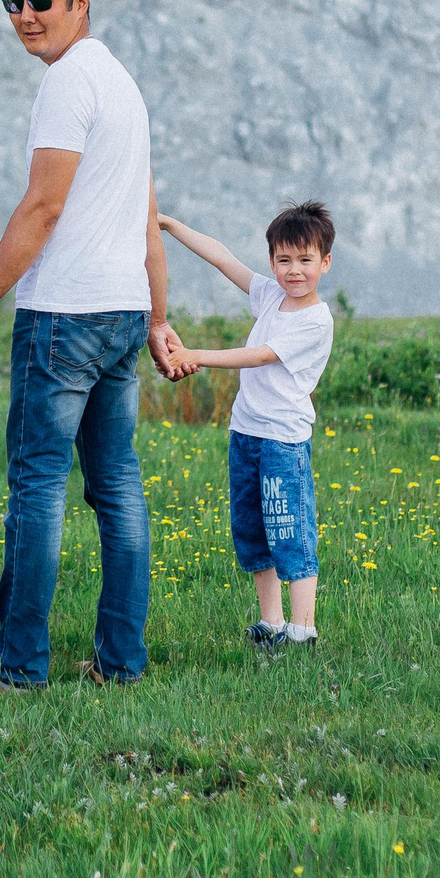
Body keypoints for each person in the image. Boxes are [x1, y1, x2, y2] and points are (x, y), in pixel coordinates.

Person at [0, 0, 181, 689]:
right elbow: (146, 216)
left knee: (38, 487)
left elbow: (44, 206)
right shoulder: (123, 84)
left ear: (80, 3)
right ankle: (121, 663)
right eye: (14, 2)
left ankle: (19, 669)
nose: (26, 15)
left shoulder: (67, 82)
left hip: (65, 313)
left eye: (41, 0)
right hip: (122, 309)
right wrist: (156, 317)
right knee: (118, 486)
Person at [157, 201, 337, 652]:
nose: (294, 271)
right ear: (272, 262)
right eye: (283, 260)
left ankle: (303, 629)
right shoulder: (271, 296)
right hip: (246, 434)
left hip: (282, 441)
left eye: (305, 260)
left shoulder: (316, 320)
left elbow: (260, 356)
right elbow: (222, 258)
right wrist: (169, 223)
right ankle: (271, 623)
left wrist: (194, 355)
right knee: (253, 531)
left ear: (325, 263)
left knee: (289, 530)